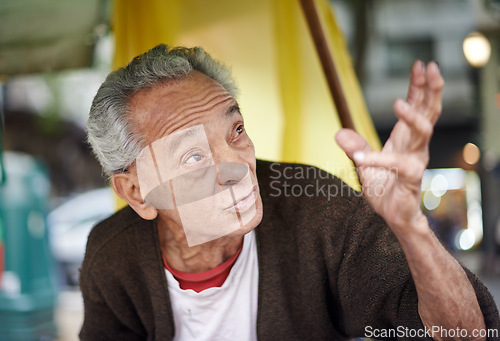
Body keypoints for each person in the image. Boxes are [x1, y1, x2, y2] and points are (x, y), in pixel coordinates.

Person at [81, 44, 499, 340]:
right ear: (136, 192)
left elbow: (465, 334)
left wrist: (411, 228)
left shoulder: (316, 208)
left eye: (236, 131)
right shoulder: (112, 257)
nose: (237, 167)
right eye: (192, 156)